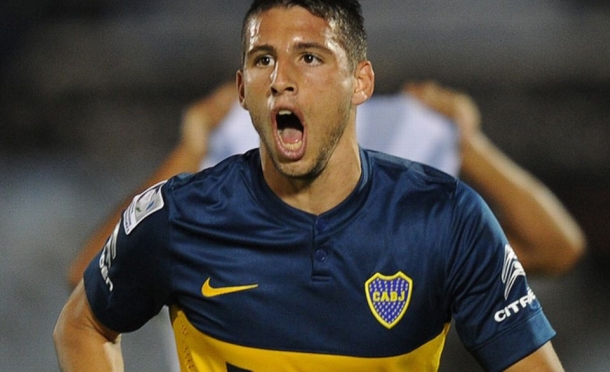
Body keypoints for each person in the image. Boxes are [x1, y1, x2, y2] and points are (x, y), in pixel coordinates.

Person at [54, 0, 565, 370]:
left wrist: (470, 146)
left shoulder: (446, 218)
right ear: (242, 90)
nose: (281, 79)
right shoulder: (180, 215)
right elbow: (82, 325)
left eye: (310, 58)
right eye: (263, 60)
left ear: (360, 82)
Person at [67, 79, 585, 287]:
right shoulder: (216, 242)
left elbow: (555, 247)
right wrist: (189, 151)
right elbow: (90, 272)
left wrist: (469, 146)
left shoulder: (404, 253)